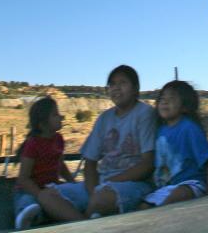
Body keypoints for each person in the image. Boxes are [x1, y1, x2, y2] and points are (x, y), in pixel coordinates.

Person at [55, 65, 157, 218]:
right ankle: (85, 222)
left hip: (135, 184)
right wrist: (92, 191)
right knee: (48, 195)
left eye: (122, 83)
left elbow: (147, 164)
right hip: (102, 184)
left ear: (136, 88)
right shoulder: (104, 118)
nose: (116, 88)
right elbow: (90, 162)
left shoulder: (145, 114)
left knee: (102, 198)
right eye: (112, 84)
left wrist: (107, 184)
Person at [139, 80, 208, 209]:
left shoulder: (189, 128)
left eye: (172, 98)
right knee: (142, 208)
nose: (165, 101)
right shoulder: (160, 131)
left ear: (185, 106)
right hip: (166, 188)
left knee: (178, 195)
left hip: (191, 184)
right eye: (162, 98)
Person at [12, 97, 81, 230]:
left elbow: (60, 165)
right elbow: (23, 179)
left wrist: (73, 182)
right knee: (27, 203)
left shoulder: (59, 139)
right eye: (55, 114)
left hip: (51, 188)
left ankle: (45, 215)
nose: (61, 116)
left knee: (70, 197)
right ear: (43, 123)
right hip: (30, 190)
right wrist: (39, 195)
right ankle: (25, 219)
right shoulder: (33, 144)